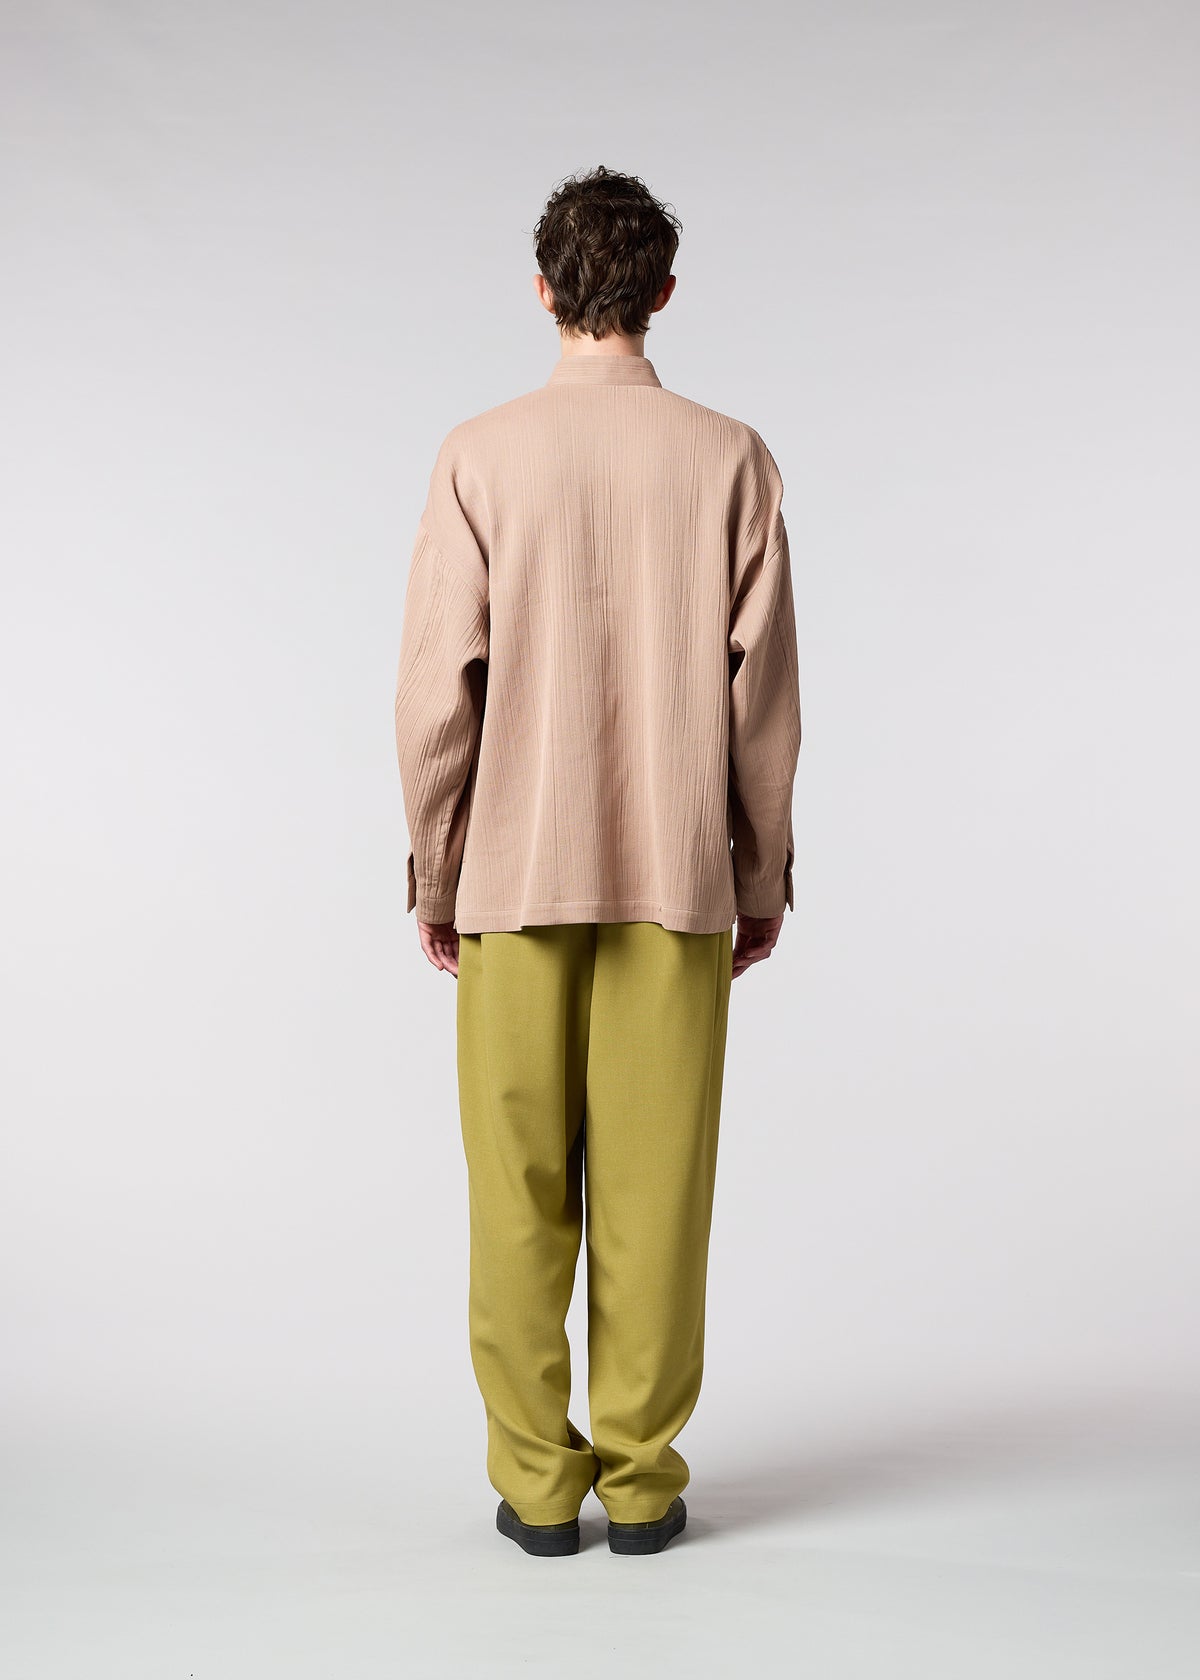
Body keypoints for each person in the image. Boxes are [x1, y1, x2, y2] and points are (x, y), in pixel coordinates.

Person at [393, 164, 801, 1557]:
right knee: (657, 1193)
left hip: (513, 880)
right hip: (676, 883)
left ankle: (535, 1487)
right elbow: (762, 698)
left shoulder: (478, 455)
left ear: (544, 291)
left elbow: (435, 697)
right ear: (663, 292)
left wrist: (436, 869)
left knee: (514, 1194)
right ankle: (640, 1484)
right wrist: (759, 875)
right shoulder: (733, 459)